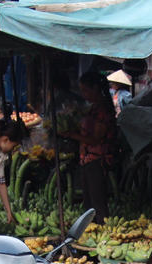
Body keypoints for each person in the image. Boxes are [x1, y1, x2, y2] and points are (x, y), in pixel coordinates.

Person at [60, 71, 116, 219]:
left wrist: (71, 135)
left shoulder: (103, 110)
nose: (83, 94)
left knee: (97, 202)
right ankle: (90, 231)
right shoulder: (93, 108)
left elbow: (95, 139)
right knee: (89, 202)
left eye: (85, 90)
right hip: (87, 159)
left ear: (96, 88)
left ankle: (102, 232)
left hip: (97, 160)